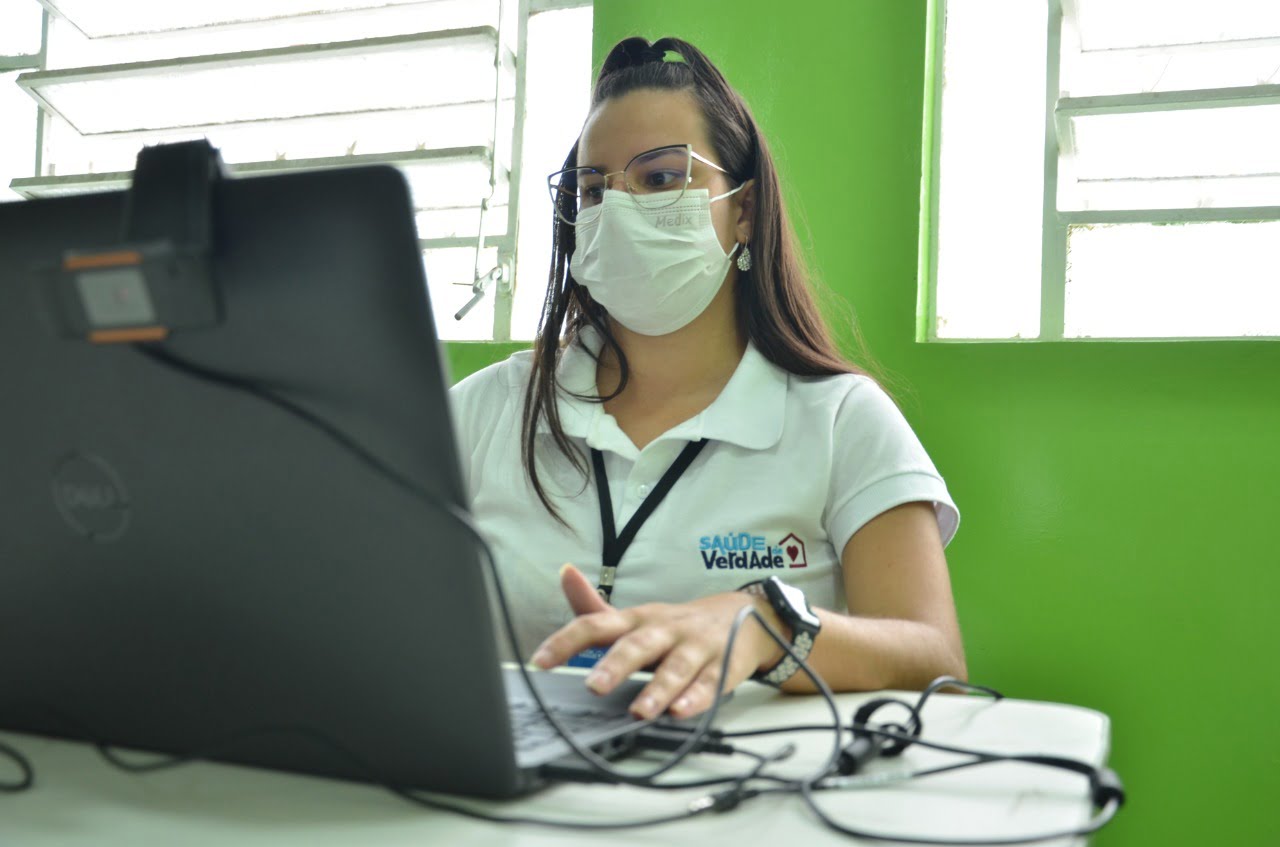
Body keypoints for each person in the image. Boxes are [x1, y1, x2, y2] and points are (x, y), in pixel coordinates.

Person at [449, 36, 965, 723]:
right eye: (594, 189)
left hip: (753, 784)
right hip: (513, 783)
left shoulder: (842, 419)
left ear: (743, 211)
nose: (618, 210)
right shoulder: (485, 409)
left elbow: (936, 661)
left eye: (661, 177)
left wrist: (771, 626)